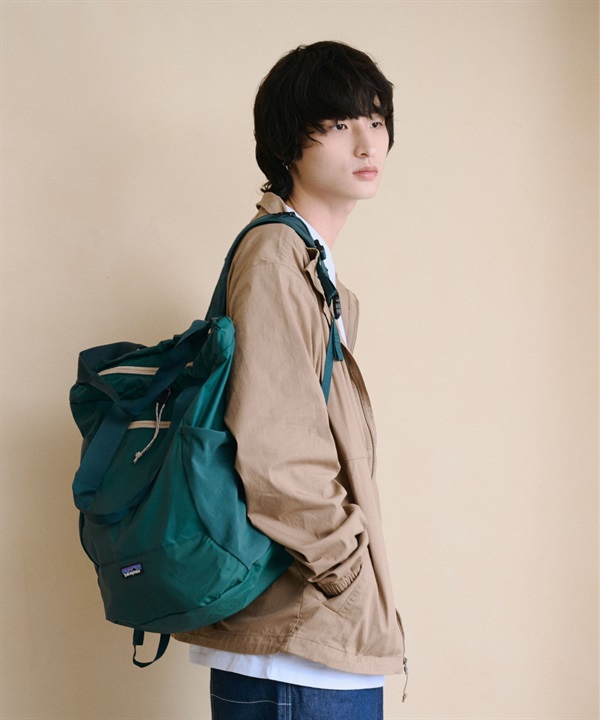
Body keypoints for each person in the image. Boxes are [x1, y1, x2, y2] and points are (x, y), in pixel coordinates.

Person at [174, 40, 407, 719]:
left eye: (375, 120)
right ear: (287, 143)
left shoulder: (309, 262)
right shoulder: (278, 257)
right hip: (298, 649)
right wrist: (347, 575)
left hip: (314, 643)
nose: (366, 141)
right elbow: (278, 452)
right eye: (337, 124)